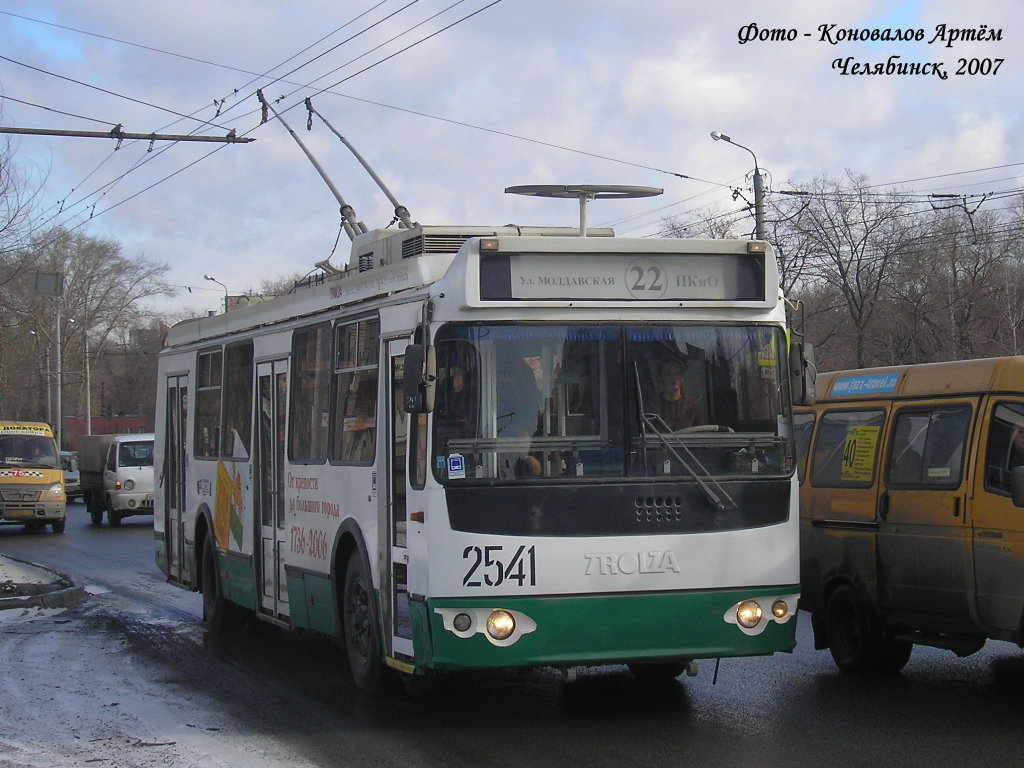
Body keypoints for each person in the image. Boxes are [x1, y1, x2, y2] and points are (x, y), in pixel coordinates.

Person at [652, 359, 702, 430]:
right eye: (668, 374)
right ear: (661, 378)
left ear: (682, 378)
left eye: (677, 374)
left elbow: (702, 433)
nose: (673, 378)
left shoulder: (692, 406)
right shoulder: (653, 406)